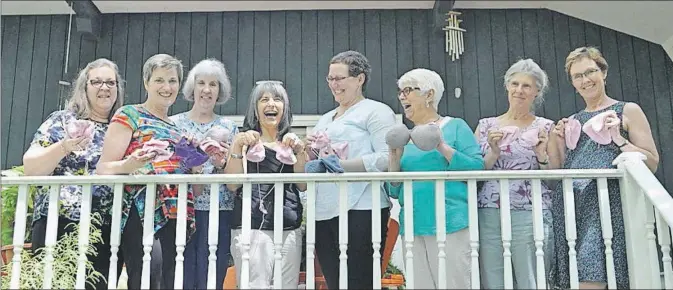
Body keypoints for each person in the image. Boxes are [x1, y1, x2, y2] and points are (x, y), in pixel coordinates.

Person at [548, 47, 659, 289]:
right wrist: (555, 141)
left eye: (590, 72)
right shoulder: (573, 120)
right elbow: (558, 170)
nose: (585, 80)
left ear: (604, 73)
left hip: (607, 207)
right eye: (578, 76)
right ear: (573, 83)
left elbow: (651, 160)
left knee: (594, 278)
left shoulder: (627, 110)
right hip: (571, 208)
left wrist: (619, 138)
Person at [96, 53, 198, 289]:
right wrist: (129, 165)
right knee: (148, 278)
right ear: (146, 83)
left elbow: (192, 180)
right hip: (142, 211)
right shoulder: (129, 114)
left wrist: (195, 159)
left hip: (177, 211)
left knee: (170, 281)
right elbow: (103, 167)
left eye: (172, 81)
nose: (166, 87)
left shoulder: (176, 128)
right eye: (159, 80)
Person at [23, 58, 125, 289]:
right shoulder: (62, 120)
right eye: (96, 82)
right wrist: (64, 147)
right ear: (84, 87)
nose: (104, 88)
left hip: (105, 228)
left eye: (111, 82)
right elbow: (31, 167)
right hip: (58, 221)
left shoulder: (121, 128)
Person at [308, 50, 397, 290]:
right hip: (324, 209)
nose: (334, 85)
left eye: (339, 78)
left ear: (360, 79)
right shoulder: (325, 119)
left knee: (360, 279)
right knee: (334, 281)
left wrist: (339, 167)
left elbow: (384, 158)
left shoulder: (377, 111)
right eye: (330, 79)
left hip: (362, 207)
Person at [387, 68, 483, 289]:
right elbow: (393, 189)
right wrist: (394, 157)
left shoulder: (455, 126)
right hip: (413, 224)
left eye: (408, 90)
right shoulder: (406, 136)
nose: (402, 96)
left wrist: (440, 146)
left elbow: (477, 168)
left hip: (450, 222)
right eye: (400, 92)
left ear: (429, 95)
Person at [474, 59, 555, 289]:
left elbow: (554, 177)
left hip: (530, 212)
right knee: (492, 278)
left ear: (537, 91)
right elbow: (473, 171)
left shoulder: (546, 127)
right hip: (489, 211)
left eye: (526, 86)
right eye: (515, 84)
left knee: (530, 277)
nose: (519, 90)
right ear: (507, 86)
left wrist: (541, 155)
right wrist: (493, 152)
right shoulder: (485, 125)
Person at [224, 80, 306, 289]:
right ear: (255, 108)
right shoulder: (245, 142)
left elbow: (303, 184)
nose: (271, 103)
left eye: (277, 99)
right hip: (251, 227)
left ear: (284, 108)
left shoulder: (290, 143)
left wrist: (300, 151)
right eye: (264, 99)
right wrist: (237, 145)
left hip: (289, 226)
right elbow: (232, 185)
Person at [170, 58, 238, 289]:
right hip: (182, 210)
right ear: (192, 87)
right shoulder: (174, 124)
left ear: (220, 91)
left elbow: (232, 173)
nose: (207, 90)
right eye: (201, 83)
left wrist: (220, 162)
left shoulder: (229, 127)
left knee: (213, 274)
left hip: (220, 209)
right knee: (183, 273)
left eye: (213, 84)